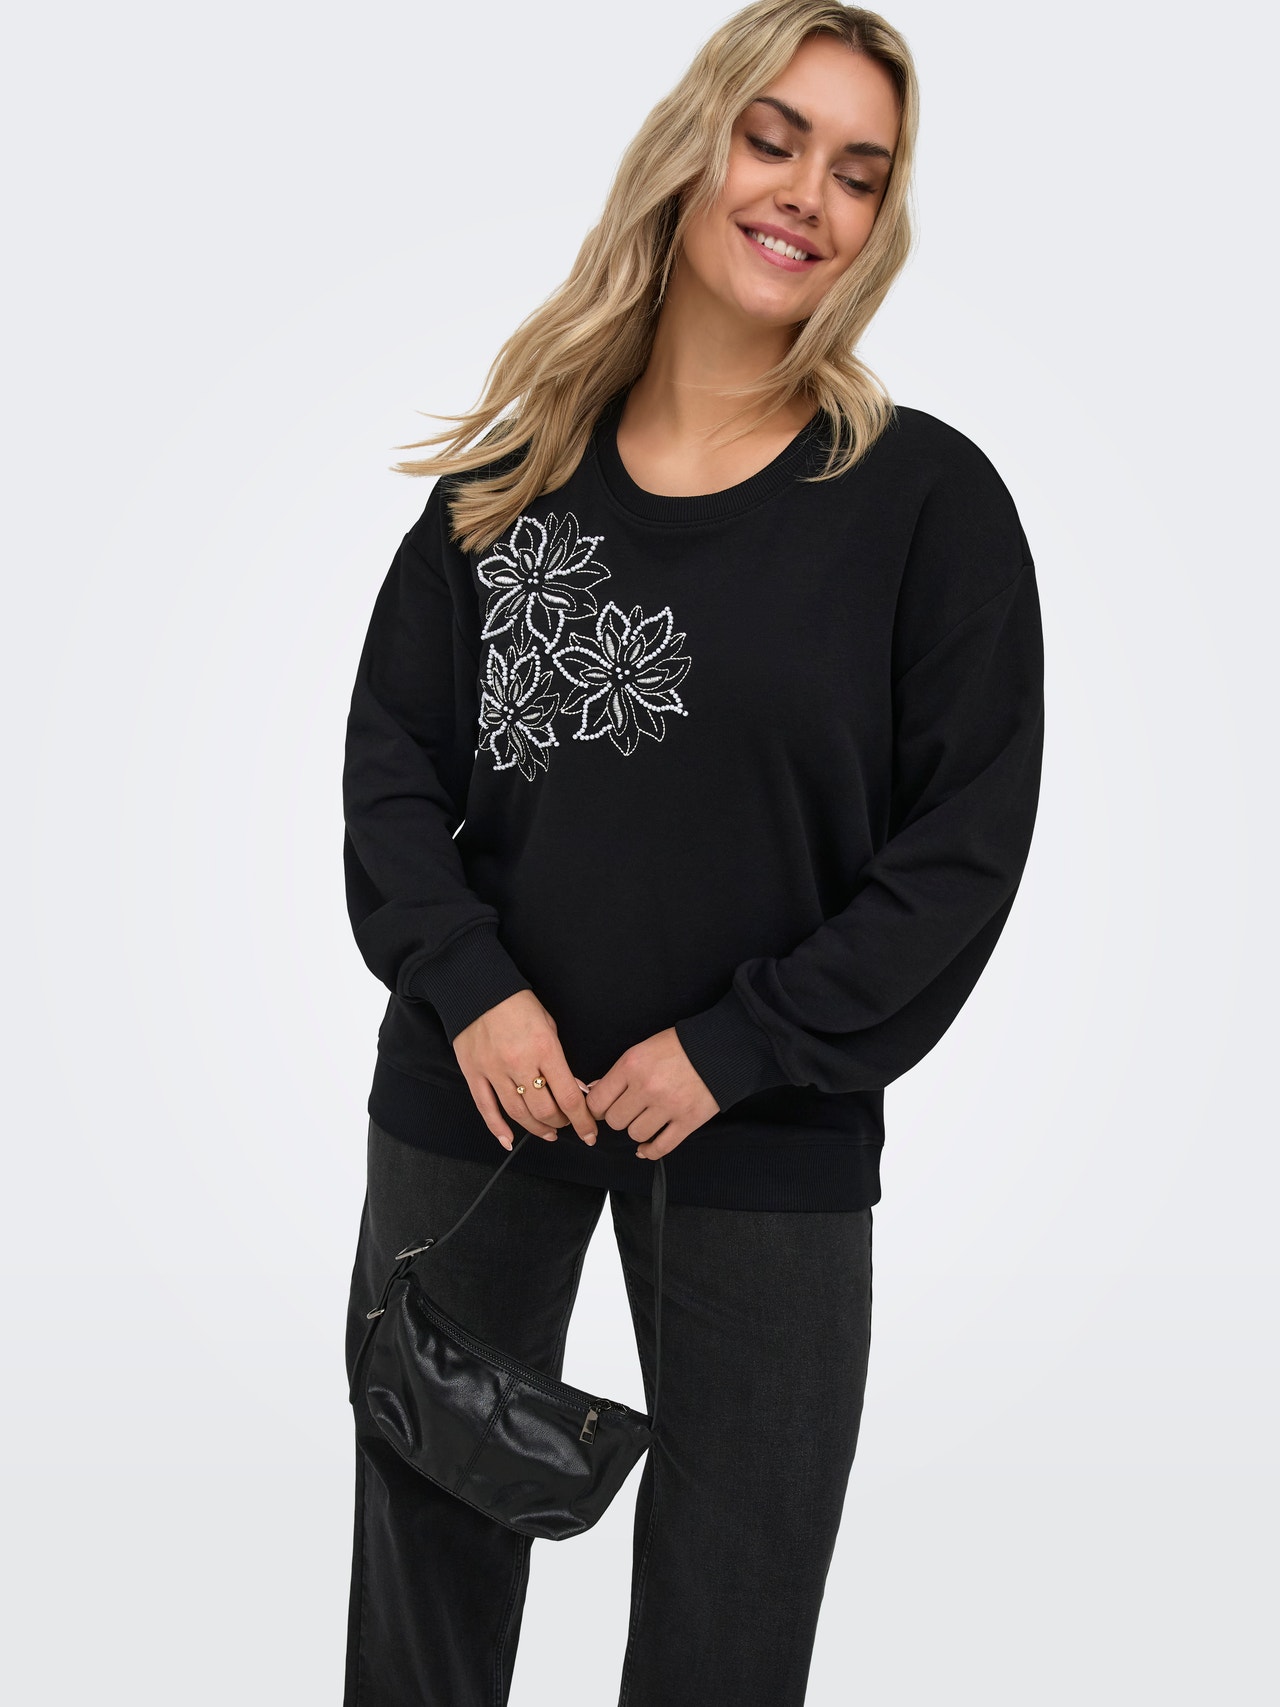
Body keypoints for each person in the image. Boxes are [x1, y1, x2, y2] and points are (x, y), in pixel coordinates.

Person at [339, 2, 1044, 1702]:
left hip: (765, 1128)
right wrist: (473, 991)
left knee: (733, 1628)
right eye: (774, 138)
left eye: (859, 172)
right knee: (424, 1618)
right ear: (693, 145)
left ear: (880, 222)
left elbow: (960, 852)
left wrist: (739, 1048)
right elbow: (389, 773)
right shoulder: (509, 488)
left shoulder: (926, 506)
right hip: (477, 1105)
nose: (808, 192)